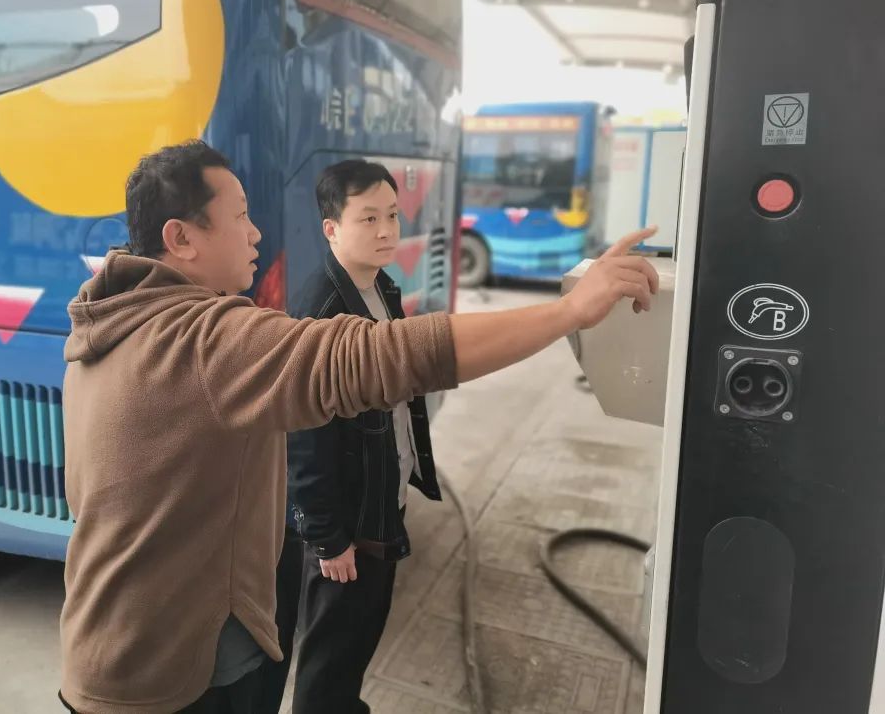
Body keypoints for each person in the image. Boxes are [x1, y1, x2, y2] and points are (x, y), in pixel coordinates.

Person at [57, 140, 658, 714]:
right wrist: (568, 312)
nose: (256, 232)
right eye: (239, 216)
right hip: (160, 676)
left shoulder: (113, 325)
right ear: (181, 238)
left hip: (114, 645)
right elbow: (385, 358)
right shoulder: (203, 342)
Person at [279, 159, 445, 713]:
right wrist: (327, 538)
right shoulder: (320, 309)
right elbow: (303, 437)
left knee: (360, 637)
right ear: (332, 229)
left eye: (392, 215)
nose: (386, 230)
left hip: (380, 501)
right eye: (368, 218)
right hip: (347, 522)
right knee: (330, 655)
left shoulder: (380, 287)